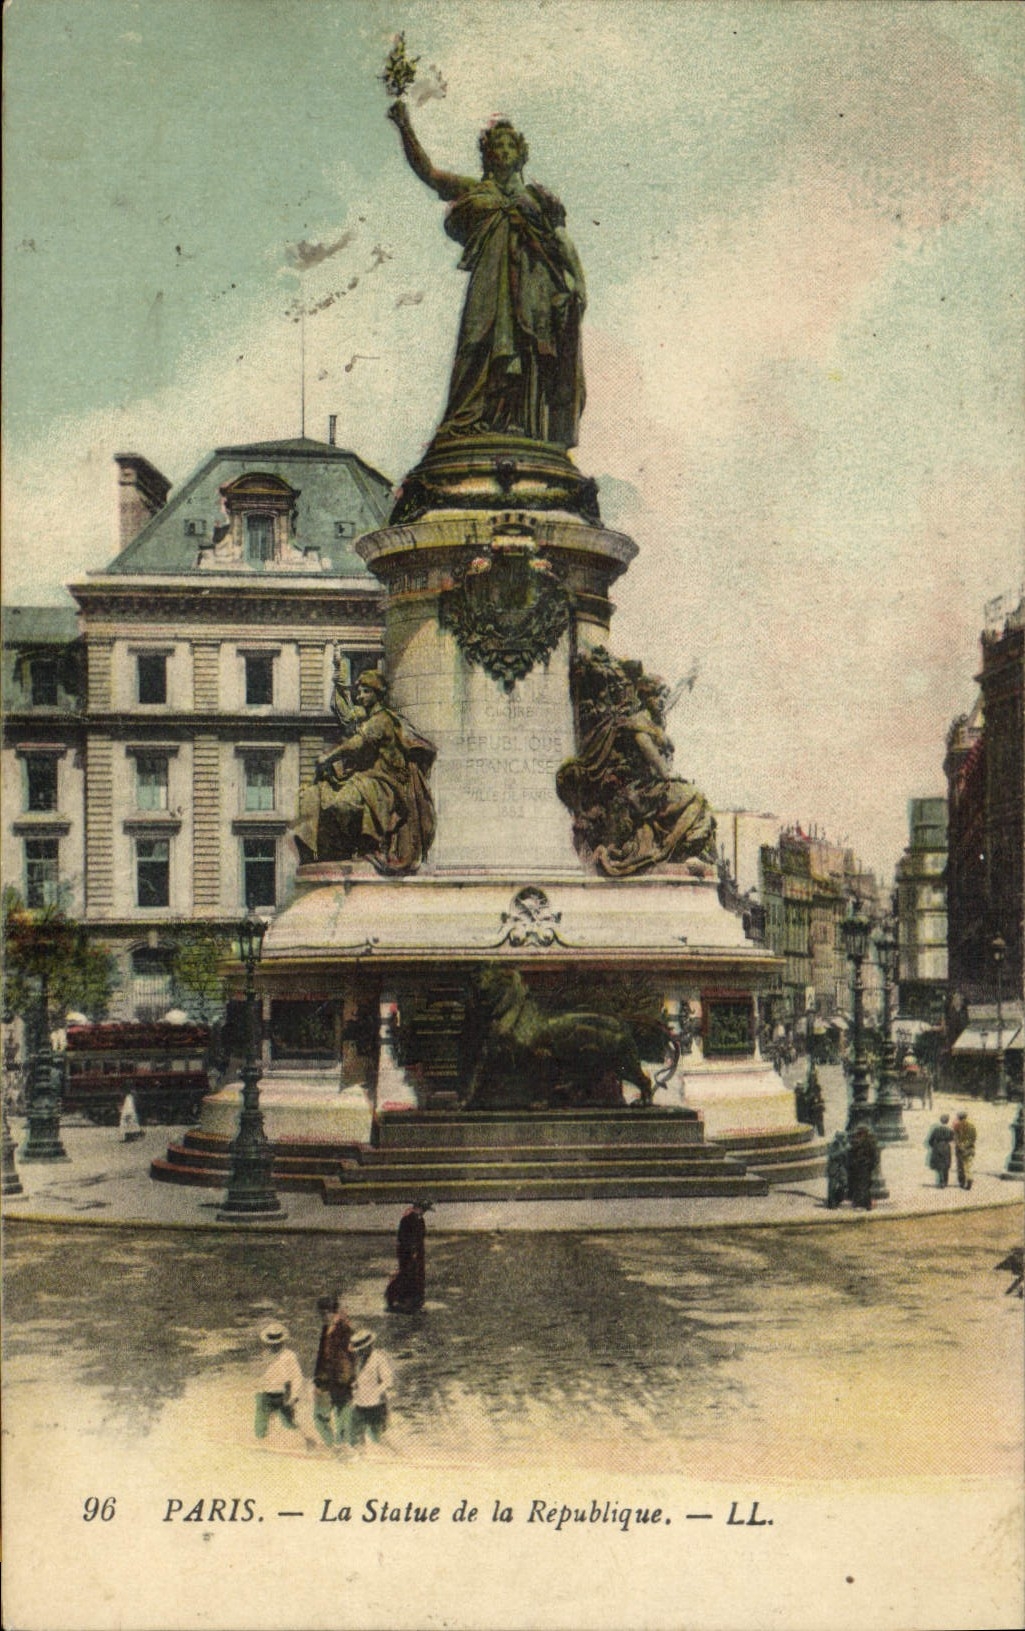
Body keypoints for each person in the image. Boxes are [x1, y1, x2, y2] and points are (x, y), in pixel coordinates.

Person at [388, 101, 586, 449]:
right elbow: (429, 173)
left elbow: (561, 240)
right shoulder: (475, 190)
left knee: (526, 353)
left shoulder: (537, 199)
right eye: (498, 145)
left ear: (521, 154)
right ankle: (472, 421)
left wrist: (578, 280)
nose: (504, 150)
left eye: (511, 145)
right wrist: (405, 127)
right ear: (487, 154)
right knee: (477, 341)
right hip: (489, 283)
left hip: (532, 288)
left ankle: (519, 425)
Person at [295, 672, 436, 872]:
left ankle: (370, 844)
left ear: (377, 694)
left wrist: (328, 756)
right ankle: (336, 849)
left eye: (366, 692)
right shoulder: (368, 718)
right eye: (359, 692)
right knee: (317, 794)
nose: (360, 696)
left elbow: (357, 743)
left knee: (344, 801)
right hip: (368, 777)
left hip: (386, 781)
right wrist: (339, 685)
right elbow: (346, 714)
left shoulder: (382, 720)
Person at [312, 1294, 354, 1449]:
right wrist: (317, 1381)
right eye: (320, 1314)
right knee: (321, 1416)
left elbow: (349, 1358)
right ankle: (334, 1446)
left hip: (340, 1380)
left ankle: (341, 1447)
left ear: (332, 1312)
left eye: (324, 1313)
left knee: (340, 1417)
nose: (322, 1317)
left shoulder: (344, 1330)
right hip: (328, 1381)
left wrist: (348, 1380)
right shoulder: (327, 1328)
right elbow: (321, 1357)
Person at [342, 1329, 394, 1448]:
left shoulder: (379, 1359)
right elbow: (359, 1378)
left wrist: (375, 1392)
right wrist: (354, 1385)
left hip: (376, 1405)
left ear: (369, 1347)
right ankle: (360, 1455)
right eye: (357, 1350)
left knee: (378, 1438)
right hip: (360, 1404)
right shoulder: (359, 1360)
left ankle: (395, 1455)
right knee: (353, 1436)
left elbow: (388, 1380)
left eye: (361, 1349)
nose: (358, 1352)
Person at [254, 1323, 304, 1440]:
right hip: (265, 1394)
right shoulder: (265, 1355)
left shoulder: (289, 1356)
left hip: (283, 1394)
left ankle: (304, 1441)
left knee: (289, 1423)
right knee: (261, 1425)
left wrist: (294, 1396)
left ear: (282, 1342)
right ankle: (261, 1444)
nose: (274, 1345)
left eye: (276, 1343)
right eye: (272, 1343)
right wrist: (258, 1391)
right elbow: (262, 1376)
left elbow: (296, 1377)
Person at [386, 1199, 433, 1313]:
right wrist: (412, 1252)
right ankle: (399, 1298)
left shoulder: (418, 1219)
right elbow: (404, 1237)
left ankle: (412, 1299)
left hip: (416, 1253)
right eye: (424, 1209)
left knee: (415, 1275)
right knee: (407, 1274)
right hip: (408, 1253)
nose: (424, 1212)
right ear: (419, 1208)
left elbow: (419, 1237)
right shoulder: (408, 1219)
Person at [846, 1123, 878, 1211]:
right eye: (859, 1133)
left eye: (860, 1133)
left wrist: (869, 1165)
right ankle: (861, 1204)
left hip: (865, 1168)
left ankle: (865, 1205)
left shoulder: (869, 1143)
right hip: (858, 1168)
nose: (859, 1135)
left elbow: (874, 1157)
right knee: (859, 1186)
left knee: (864, 1186)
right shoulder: (857, 1142)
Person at [926, 1113, 955, 1188]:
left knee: (939, 1165)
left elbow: (930, 1140)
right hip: (946, 1148)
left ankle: (941, 1181)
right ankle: (945, 1181)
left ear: (940, 1120)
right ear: (947, 1121)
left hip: (938, 1147)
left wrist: (934, 1146)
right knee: (946, 1165)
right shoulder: (950, 1130)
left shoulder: (936, 1129)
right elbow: (952, 1139)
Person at [954, 1111, 977, 1191]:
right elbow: (973, 1138)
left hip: (960, 1150)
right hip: (969, 1149)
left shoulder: (957, 1126)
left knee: (960, 1167)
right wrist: (966, 1145)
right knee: (968, 1166)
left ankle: (962, 1182)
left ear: (959, 1117)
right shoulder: (972, 1126)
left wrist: (961, 1146)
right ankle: (969, 1179)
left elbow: (955, 1138)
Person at [825, 1130, 849, 1209]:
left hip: (842, 1169)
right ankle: (831, 1204)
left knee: (844, 1185)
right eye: (842, 1137)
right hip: (833, 1168)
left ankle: (838, 1199)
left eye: (844, 1137)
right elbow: (831, 1156)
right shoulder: (832, 1145)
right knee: (832, 1187)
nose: (843, 1139)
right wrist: (841, 1152)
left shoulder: (845, 1145)